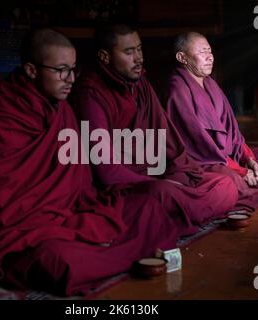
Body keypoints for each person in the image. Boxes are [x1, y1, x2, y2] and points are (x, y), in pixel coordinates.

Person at [0, 28, 181, 296]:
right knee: (60, 261)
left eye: (74, 69)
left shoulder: (62, 108)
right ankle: (119, 251)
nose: (70, 80)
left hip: (70, 213)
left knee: (151, 207)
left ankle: (108, 250)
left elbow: (78, 181)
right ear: (31, 70)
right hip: (25, 228)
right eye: (61, 70)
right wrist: (56, 222)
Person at [70, 24, 238, 236]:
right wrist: (157, 182)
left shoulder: (140, 84)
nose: (139, 58)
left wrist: (177, 174)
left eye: (139, 49)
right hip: (127, 186)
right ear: (105, 56)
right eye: (129, 52)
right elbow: (106, 170)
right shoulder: (91, 94)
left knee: (224, 183)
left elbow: (168, 142)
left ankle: (171, 215)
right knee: (165, 194)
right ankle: (171, 215)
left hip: (156, 175)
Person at [165, 32, 258, 213]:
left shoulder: (211, 84)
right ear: (182, 57)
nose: (209, 57)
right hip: (200, 162)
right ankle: (245, 187)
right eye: (202, 52)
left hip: (226, 158)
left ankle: (248, 185)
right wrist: (241, 171)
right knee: (229, 181)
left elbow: (233, 132)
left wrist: (249, 160)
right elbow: (201, 147)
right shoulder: (177, 90)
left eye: (210, 51)